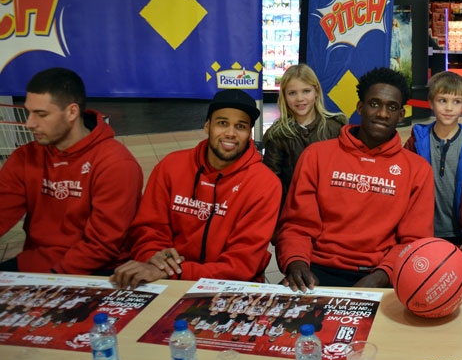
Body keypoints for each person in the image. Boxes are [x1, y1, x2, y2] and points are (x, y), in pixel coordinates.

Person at [276, 67, 434, 290]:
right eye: (375, 103)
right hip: (316, 270)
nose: (382, 113)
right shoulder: (317, 155)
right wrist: (296, 263)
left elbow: (413, 241)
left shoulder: (417, 169)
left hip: (381, 274)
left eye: (392, 107)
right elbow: (297, 226)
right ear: (360, 107)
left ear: (401, 115)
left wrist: (380, 277)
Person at [111, 89, 281, 289]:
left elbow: (240, 266)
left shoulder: (264, 184)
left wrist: (174, 272)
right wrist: (154, 257)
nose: (230, 133)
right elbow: (148, 230)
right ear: (207, 126)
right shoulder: (171, 166)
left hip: (228, 287)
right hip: (165, 278)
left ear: (249, 134)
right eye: (222, 123)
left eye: (240, 126)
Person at [0, 67, 142, 275]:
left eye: (41, 114)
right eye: (28, 112)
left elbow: (101, 245)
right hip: (36, 264)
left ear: (72, 112)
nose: (29, 124)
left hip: (96, 272)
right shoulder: (26, 157)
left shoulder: (116, 163)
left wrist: (52, 281)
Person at [404, 72, 462, 246]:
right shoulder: (417, 140)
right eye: (442, 100)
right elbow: (404, 183)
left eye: (456, 102)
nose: (449, 108)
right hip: (422, 230)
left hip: (460, 232)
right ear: (431, 102)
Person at [262, 64, 347, 208]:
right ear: (284, 96)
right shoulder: (277, 135)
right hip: (293, 212)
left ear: (316, 91)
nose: (300, 98)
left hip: (330, 210)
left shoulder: (336, 128)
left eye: (306, 91)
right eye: (292, 93)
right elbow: (271, 183)